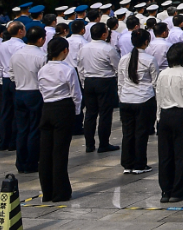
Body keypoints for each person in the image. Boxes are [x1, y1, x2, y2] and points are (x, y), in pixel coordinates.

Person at [37, 36, 80, 202]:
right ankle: (60, 191)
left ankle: (47, 191)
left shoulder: (43, 69)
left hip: (47, 107)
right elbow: (75, 93)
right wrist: (76, 112)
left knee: (46, 152)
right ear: (65, 51)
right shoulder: (67, 69)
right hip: (63, 108)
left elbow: (41, 89)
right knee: (60, 152)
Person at [156, 42, 183, 203]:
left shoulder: (163, 74)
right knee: (182, 154)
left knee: (165, 154)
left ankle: (165, 190)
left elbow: (159, 97)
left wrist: (158, 118)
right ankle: (177, 190)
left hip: (165, 114)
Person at [117, 29, 158, 174]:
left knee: (128, 132)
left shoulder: (124, 59)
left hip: (126, 99)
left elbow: (120, 82)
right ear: (146, 42)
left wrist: (122, 96)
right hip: (144, 99)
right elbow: (155, 82)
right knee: (141, 133)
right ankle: (139, 164)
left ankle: (127, 163)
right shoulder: (149, 59)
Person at [78, 23, 120, 154]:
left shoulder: (84, 48)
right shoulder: (108, 49)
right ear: (103, 34)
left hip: (89, 81)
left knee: (90, 114)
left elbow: (80, 67)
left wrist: (84, 81)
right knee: (105, 114)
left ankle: (89, 144)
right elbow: (117, 66)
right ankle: (103, 143)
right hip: (105, 81)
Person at [11, 26, 47, 173]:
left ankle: (21, 162)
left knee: (22, 130)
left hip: (19, 92)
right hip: (34, 92)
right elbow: (45, 77)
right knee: (34, 129)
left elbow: (11, 73)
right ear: (41, 39)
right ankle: (31, 162)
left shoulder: (16, 55)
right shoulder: (41, 56)